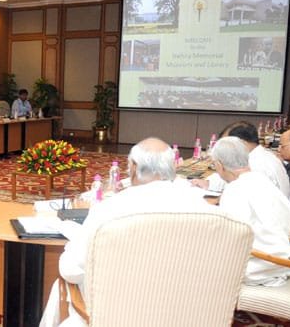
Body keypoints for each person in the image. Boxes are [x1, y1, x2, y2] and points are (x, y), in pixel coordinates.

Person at [39, 138, 216, 326]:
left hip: (119, 313)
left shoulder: (111, 208)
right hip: (189, 312)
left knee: (62, 285)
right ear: (172, 166)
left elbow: (71, 270)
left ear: (133, 167)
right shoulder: (207, 209)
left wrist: (71, 246)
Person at [212, 137, 290, 286]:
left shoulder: (235, 189)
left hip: (257, 267)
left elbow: (231, 238)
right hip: (278, 260)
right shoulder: (262, 180)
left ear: (219, 165)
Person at [192, 121, 290, 199]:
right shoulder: (259, 155)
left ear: (240, 142)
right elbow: (232, 177)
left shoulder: (257, 164)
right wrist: (209, 183)